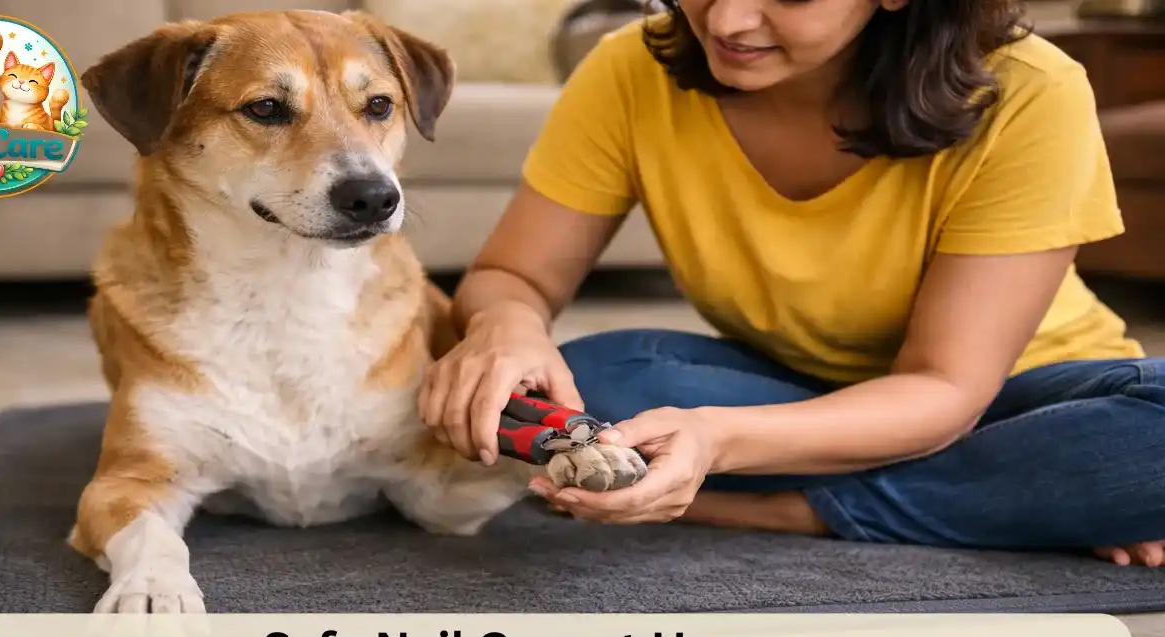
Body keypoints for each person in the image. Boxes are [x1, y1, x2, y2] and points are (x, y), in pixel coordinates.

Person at [416, 0, 1165, 566]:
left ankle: (788, 511)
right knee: (592, 379)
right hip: (792, 391)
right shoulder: (630, 68)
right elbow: (513, 274)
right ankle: (1023, 497)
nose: (730, 19)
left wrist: (718, 439)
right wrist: (504, 325)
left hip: (1025, 398)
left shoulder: (1031, 91)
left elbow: (943, 390)